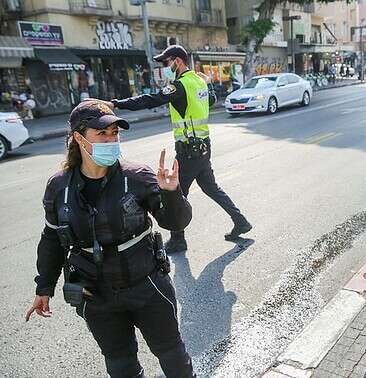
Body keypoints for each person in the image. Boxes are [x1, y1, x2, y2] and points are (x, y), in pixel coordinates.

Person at [25, 100, 196, 377]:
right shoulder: (59, 187)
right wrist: (44, 287)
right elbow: (51, 239)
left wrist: (171, 193)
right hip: (96, 296)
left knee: (173, 356)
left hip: (147, 285)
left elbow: (175, 221)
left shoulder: (137, 176)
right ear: (79, 138)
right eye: (102, 134)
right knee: (120, 364)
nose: (111, 139)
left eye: (115, 133)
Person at [92, 45, 252, 254]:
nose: (164, 67)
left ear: (177, 61)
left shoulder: (181, 85)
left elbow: (150, 100)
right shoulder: (199, 81)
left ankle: (178, 240)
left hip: (189, 150)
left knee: (175, 193)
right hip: (203, 146)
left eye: (166, 63)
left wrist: (115, 104)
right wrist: (210, 85)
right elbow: (211, 100)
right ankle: (240, 221)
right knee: (211, 188)